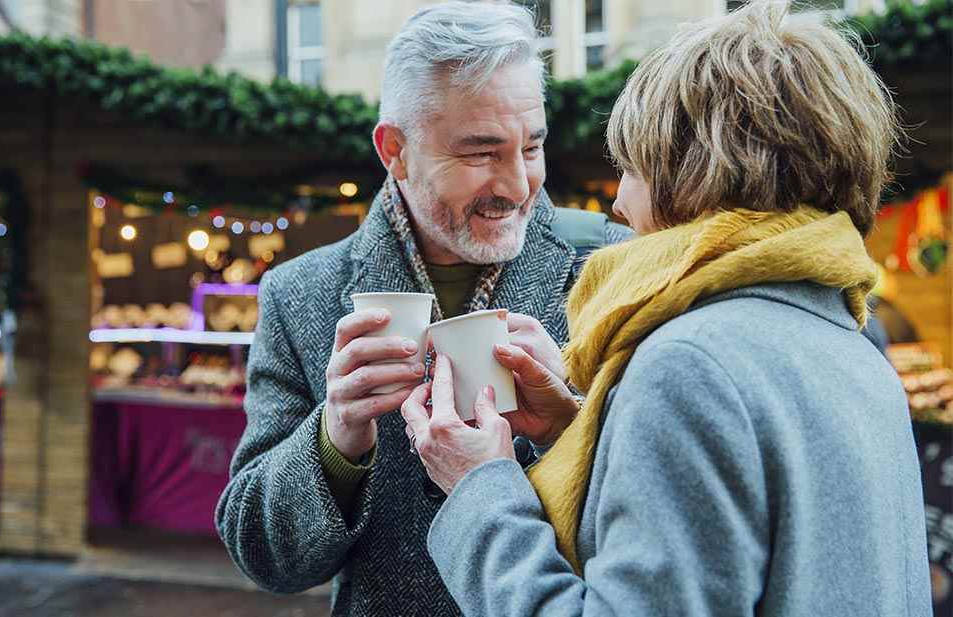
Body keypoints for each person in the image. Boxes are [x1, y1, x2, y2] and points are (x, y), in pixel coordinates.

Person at [403, 2, 932, 615]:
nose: (619, 204)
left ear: (691, 174)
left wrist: (478, 488)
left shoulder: (690, 365)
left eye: (631, 168)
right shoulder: (850, 345)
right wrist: (575, 430)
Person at [214, 2, 631, 616]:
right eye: (481, 153)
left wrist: (570, 419)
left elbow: (660, 522)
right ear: (396, 151)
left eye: (532, 146)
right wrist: (333, 440)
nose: (518, 185)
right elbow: (262, 557)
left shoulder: (613, 268)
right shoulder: (300, 292)